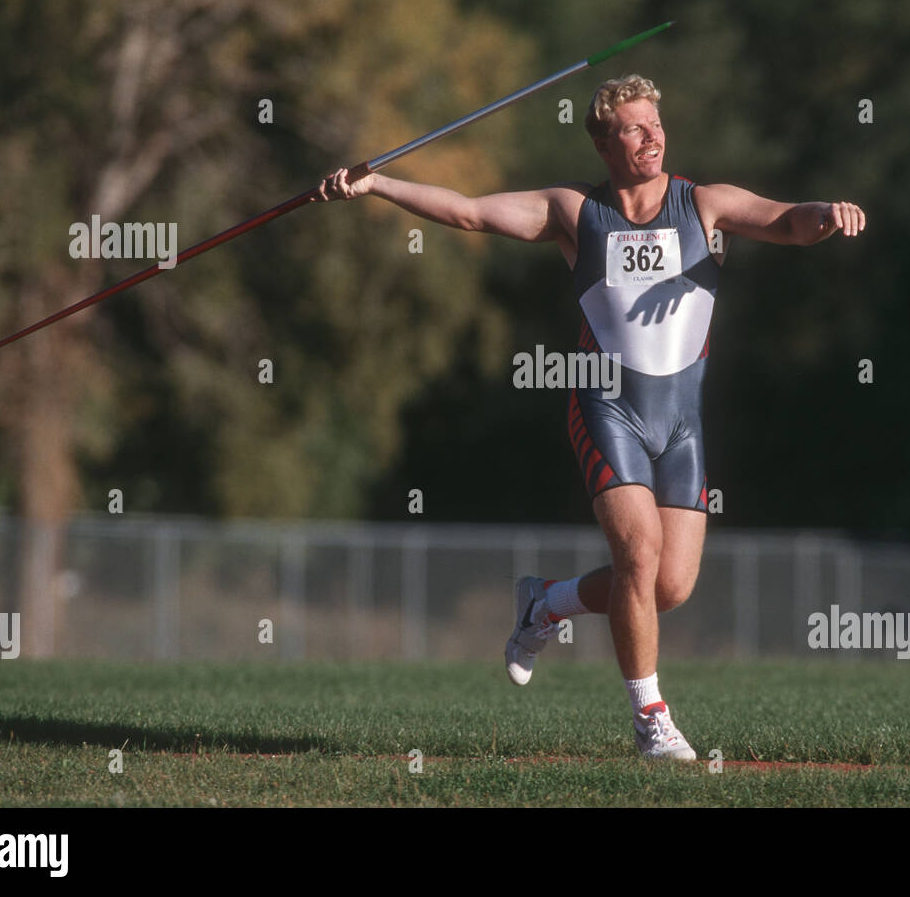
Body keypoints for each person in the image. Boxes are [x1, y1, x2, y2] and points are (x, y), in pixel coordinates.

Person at [317, 74, 865, 760]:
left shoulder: (705, 204)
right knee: (637, 554)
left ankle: (545, 602)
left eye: (656, 123)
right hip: (608, 409)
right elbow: (468, 212)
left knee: (668, 586)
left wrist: (829, 213)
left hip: (682, 425)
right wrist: (378, 185)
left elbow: (788, 219)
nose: (653, 135)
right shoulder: (574, 213)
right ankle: (650, 721)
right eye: (634, 127)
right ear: (605, 142)